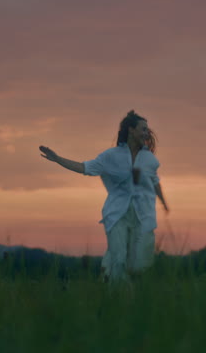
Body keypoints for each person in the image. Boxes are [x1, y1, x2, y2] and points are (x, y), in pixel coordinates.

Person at [39, 110, 169, 281]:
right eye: (143, 129)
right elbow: (84, 168)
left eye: (147, 129)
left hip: (143, 216)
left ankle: (108, 270)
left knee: (139, 266)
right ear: (131, 130)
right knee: (120, 260)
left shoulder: (150, 159)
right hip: (116, 215)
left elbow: (154, 181)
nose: (146, 133)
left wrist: (164, 203)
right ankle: (117, 294)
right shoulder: (111, 156)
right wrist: (58, 159)